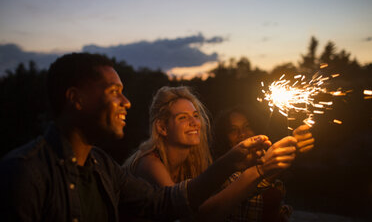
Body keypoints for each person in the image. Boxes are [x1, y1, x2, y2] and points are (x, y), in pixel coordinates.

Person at [0, 53, 274, 222]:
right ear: (76, 99)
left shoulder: (103, 167)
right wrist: (256, 170)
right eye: (113, 91)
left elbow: (164, 203)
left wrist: (231, 164)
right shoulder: (23, 172)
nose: (127, 102)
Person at [125, 86, 300, 221]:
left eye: (195, 115)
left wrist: (267, 170)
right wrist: (259, 171)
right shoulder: (149, 163)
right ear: (162, 127)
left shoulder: (194, 163)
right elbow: (193, 217)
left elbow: (224, 198)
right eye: (183, 118)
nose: (194, 123)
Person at [212, 107, 315, 222]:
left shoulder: (261, 160)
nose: (242, 134)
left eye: (247, 126)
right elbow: (245, 190)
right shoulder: (221, 173)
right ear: (223, 137)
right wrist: (271, 166)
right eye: (233, 130)